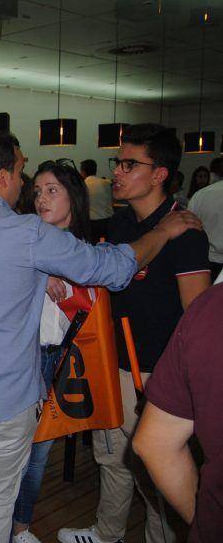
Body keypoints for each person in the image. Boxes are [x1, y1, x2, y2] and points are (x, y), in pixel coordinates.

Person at [0, 128, 202, 543]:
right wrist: (161, 233)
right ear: (3, 177)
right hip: (2, 402)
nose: (24, 183)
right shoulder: (27, 233)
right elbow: (113, 269)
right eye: (21, 171)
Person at [59, 124, 211, 543]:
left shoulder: (186, 233)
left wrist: (179, 384)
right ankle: (107, 533)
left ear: (159, 174)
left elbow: (197, 318)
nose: (117, 172)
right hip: (113, 363)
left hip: (155, 373)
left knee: (156, 474)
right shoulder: (121, 223)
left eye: (129, 164)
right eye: (118, 162)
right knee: (112, 458)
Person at [11, 159, 93, 543]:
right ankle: (12, 526)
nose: (41, 198)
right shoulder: (24, 240)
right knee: (19, 450)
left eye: (51, 190)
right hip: (26, 355)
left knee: (39, 452)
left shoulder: (85, 250)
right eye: (37, 191)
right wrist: (39, 277)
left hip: (63, 357)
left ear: (73, 197)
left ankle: (19, 527)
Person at [132, 283, 223, 543]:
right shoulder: (211, 308)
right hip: (151, 370)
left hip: (158, 368)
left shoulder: (212, 306)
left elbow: (155, 445)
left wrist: (206, 522)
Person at [188, 169, 223, 278]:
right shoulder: (202, 194)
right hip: (206, 259)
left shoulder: (201, 194)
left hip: (203, 260)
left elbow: (188, 229)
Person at [81, 158, 114, 243]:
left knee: (93, 245)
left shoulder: (83, 185)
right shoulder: (106, 183)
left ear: (83, 172)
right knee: (109, 244)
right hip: (109, 221)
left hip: (92, 223)